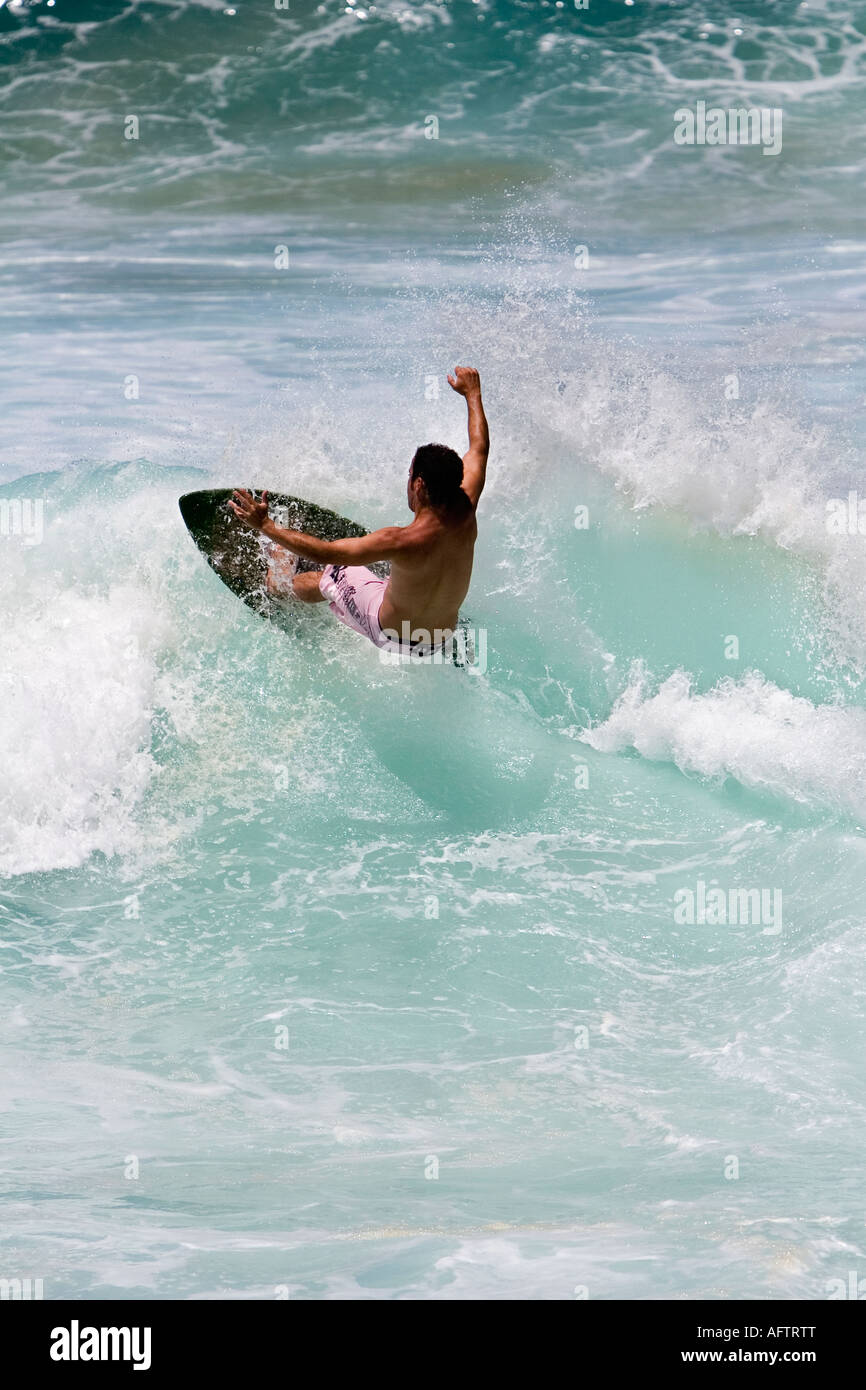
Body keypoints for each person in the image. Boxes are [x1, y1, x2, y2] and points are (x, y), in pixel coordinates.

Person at [230, 365, 489, 656]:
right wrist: (472, 394)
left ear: (418, 484)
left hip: (390, 635)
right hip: (440, 638)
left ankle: (278, 585)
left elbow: (326, 552)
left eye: (409, 474)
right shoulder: (467, 505)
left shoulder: (401, 541)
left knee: (332, 572)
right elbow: (479, 448)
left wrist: (267, 526)